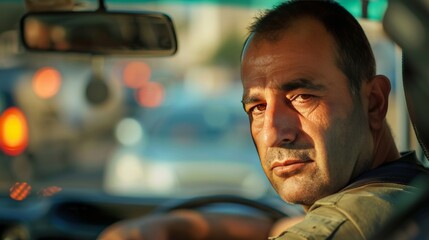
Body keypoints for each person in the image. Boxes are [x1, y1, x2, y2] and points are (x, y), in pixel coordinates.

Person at [98, 1, 429, 239]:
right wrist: (185, 227)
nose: (273, 133)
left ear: (373, 103)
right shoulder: (406, 194)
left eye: (302, 96)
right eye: (257, 107)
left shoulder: (346, 224)